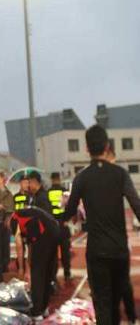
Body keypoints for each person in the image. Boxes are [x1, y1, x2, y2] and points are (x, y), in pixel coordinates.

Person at [63, 125, 140, 325]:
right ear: (107, 146)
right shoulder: (120, 174)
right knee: (115, 303)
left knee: (102, 304)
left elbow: (69, 212)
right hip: (119, 249)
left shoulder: (81, 178)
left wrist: (53, 216)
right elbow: (137, 206)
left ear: (87, 149)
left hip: (97, 251)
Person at [105, 148, 137, 324]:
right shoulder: (116, 176)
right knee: (120, 283)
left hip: (113, 242)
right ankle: (128, 315)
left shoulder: (116, 176)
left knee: (120, 283)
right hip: (115, 241)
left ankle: (128, 315)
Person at [13, 204, 59, 321]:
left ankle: (37, 311)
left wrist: (23, 269)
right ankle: (44, 308)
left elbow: (21, 245)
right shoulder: (27, 213)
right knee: (47, 271)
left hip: (43, 234)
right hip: (55, 231)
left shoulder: (15, 219)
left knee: (37, 273)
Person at [48, 172, 71, 283]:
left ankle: (53, 275)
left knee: (53, 252)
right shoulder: (64, 191)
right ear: (59, 179)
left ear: (52, 180)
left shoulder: (48, 192)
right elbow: (69, 206)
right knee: (65, 251)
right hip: (63, 223)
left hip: (52, 225)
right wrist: (67, 219)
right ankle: (67, 273)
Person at [12, 175, 30, 278]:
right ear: (20, 183)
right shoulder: (15, 197)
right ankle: (20, 268)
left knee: (29, 248)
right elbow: (13, 211)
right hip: (18, 224)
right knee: (19, 246)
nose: (26, 185)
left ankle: (28, 270)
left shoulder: (30, 196)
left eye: (27, 183)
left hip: (28, 224)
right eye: (24, 182)